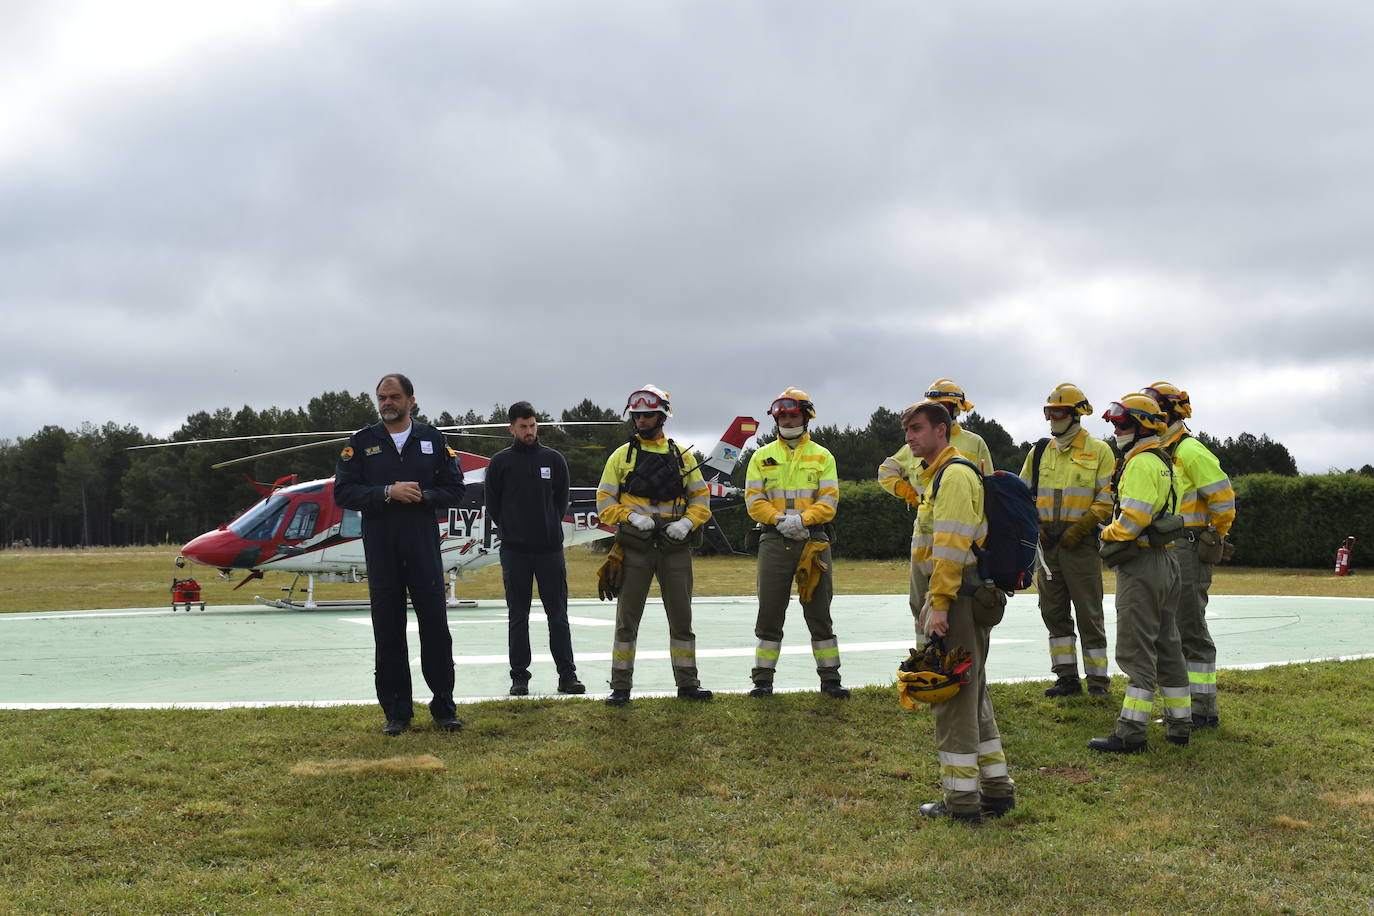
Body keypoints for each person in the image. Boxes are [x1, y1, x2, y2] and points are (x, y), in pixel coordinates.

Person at [334, 373, 466, 736]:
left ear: (411, 400)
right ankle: (396, 711)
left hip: (422, 546)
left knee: (435, 628)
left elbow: (455, 489)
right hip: (382, 548)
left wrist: (424, 495)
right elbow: (343, 493)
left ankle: (444, 707)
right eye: (381, 397)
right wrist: (386, 492)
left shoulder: (433, 440)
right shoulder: (361, 443)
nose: (386, 403)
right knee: (388, 630)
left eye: (393, 396)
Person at [903, 400, 1015, 824]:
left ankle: (962, 802)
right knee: (973, 694)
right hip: (960, 599)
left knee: (953, 700)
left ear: (942, 430)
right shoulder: (943, 476)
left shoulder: (953, 476)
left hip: (957, 602)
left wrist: (940, 605)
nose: (910, 437)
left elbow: (950, 548)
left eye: (917, 429)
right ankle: (997, 791)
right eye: (907, 431)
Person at [595, 385, 713, 706]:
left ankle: (688, 684)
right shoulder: (622, 456)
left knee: (682, 618)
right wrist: (630, 517)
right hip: (635, 546)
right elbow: (604, 502)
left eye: (648, 414)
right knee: (627, 620)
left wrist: (688, 523)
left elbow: (701, 499)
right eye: (637, 415)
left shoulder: (682, 455)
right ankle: (620, 687)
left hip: (674, 546)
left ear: (662, 415)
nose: (642, 420)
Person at [1089, 393, 1191, 753]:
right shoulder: (1163, 460)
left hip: (1143, 565)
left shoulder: (1139, 464)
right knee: (1168, 644)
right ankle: (1180, 725)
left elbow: (1131, 522)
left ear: (1142, 426)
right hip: (1167, 561)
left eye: (1122, 423)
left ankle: (1131, 733)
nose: (1116, 429)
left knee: (1136, 651)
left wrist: (1105, 531)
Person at [744, 388, 848, 699]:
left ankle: (830, 678)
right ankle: (763, 679)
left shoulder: (822, 456)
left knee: (819, 610)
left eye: (793, 414)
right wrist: (779, 521)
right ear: (776, 418)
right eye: (783, 415)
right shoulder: (760, 457)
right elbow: (754, 500)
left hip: (813, 539)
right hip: (773, 540)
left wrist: (801, 521)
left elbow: (829, 501)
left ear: (806, 417)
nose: (788, 419)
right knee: (770, 611)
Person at [1144, 382, 1237, 729]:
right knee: (1168, 628)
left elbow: (1223, 498)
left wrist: (1215, 536)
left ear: (1171, 412)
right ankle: (1183, 708)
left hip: (1187, 547)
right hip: (1166, 547)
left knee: (1190, 628)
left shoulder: (1191, 451)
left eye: (1155, 407)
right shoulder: (1156, 451)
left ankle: (1203, 711)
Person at [1017, 384, 1117, 699]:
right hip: (1047, 546)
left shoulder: (1100, 450)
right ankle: (1067, 678)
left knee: (1089, 613)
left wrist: (1084, 525)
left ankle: (1098, 681)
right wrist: (1037, 526)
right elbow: (1023, 494)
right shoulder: (1039, 451)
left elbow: (1107, 498)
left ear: (1076, 415)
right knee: (1053, 611)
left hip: (1081, 543)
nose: (1052, 418)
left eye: (1057, 412)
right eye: (1048, 412)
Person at [878, 378, 994, 640]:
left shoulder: (967, 451)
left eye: (944, 405)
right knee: (923, 619)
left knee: (958, 639)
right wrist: (909, 494)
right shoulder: (917, 444)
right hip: (926, 544)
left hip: (959, 547)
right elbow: (886, 471)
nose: (910, 438)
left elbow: (956, 534)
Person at [485, 401, 585, 697]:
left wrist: (548, 528)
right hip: (515, 552)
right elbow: (493, 505)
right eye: (523, 427)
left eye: (533, 426)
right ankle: (519, 677)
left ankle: (567, 676)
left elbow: (560, 501)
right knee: (518, 615)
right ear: (511, 428)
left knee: (558, 615)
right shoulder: (500, 463)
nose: (529, 431)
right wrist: (512, 530)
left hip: (550, 550)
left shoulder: (553, 459)